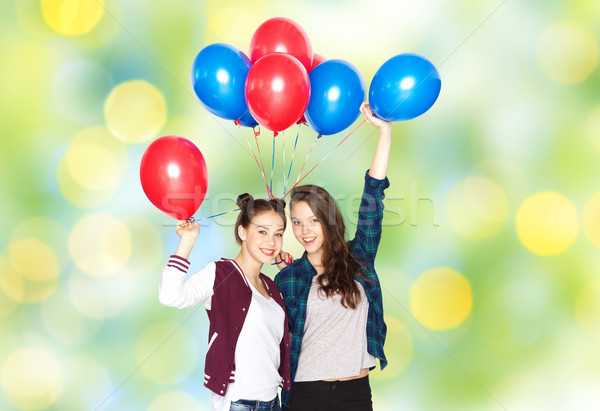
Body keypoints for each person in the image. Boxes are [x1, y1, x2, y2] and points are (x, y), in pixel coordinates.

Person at [274, 102, 392, 411]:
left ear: (328, 220)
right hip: (306, 394)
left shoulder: (358, 258)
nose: (304, 231)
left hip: (354, 392)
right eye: (297, 223)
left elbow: (373, 198)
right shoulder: (287, 278)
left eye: (313, 220)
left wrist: (384, 133)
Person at [158, 194, 293, 411]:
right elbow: (170, 295)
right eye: (262, 232)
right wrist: (187, 240)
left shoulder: (272, 287)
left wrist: (289, 272)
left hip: (273, 403)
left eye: (278, 234)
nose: (272, 242)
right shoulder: (220, 275)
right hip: (239, 403)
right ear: (242, 232)